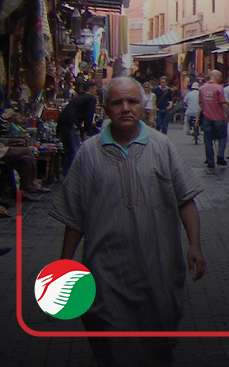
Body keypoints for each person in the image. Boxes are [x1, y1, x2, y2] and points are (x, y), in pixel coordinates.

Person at [49, 76, 205, 366]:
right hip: (106, 272)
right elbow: (74, 215)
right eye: (116, 102)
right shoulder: (88, 153)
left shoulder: (162, 146)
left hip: (158, 268)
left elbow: (185, 199)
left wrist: (195, 245)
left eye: (132, 101)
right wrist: (64, 266)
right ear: (105, 108)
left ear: (142, 104)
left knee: (158, 348)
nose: (125, 108)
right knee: (112, 347)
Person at [57, 81, 99, 174]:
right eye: (95, 90)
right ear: (91, 89)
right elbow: (89, 116)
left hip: (64, 122)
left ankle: (67, 174)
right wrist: (86, 131)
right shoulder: (91, 98)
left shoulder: (80, 98)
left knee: (68, 150)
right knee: (75, 151)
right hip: (72, 123)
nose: (95, 92)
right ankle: (72, 176)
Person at [198, 71, 229, 169]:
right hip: (218, 118)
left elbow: (200, 103)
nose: (220, 78)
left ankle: (210, 161)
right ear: (214, 76)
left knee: (208, 140)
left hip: (207, 118)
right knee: (222, 137)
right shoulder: (219, 88)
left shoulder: (202, 88)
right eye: (220, 76)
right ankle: (220, 154)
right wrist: (228, 115)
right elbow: (223, 103)